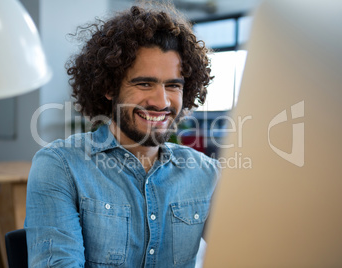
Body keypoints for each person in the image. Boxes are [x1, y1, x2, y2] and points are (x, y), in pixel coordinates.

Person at [25, 3, 220, 267]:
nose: (161, 102)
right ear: (109, 87)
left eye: (173, 86)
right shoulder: (61, 166)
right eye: (144, 83)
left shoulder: (206, 174)